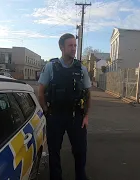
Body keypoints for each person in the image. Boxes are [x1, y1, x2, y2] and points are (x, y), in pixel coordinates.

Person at [38, 33, 91, 180]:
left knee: (80, 151)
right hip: (56, 116)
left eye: (75, 45)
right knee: (54, 152)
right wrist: (47, 111)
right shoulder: (51, 67)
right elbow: (41, 92)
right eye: (70, 45)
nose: (74, 48)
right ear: (61, 47)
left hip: (76, 116)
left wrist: (86, 116)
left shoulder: (81, 68)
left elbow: (87, 94)